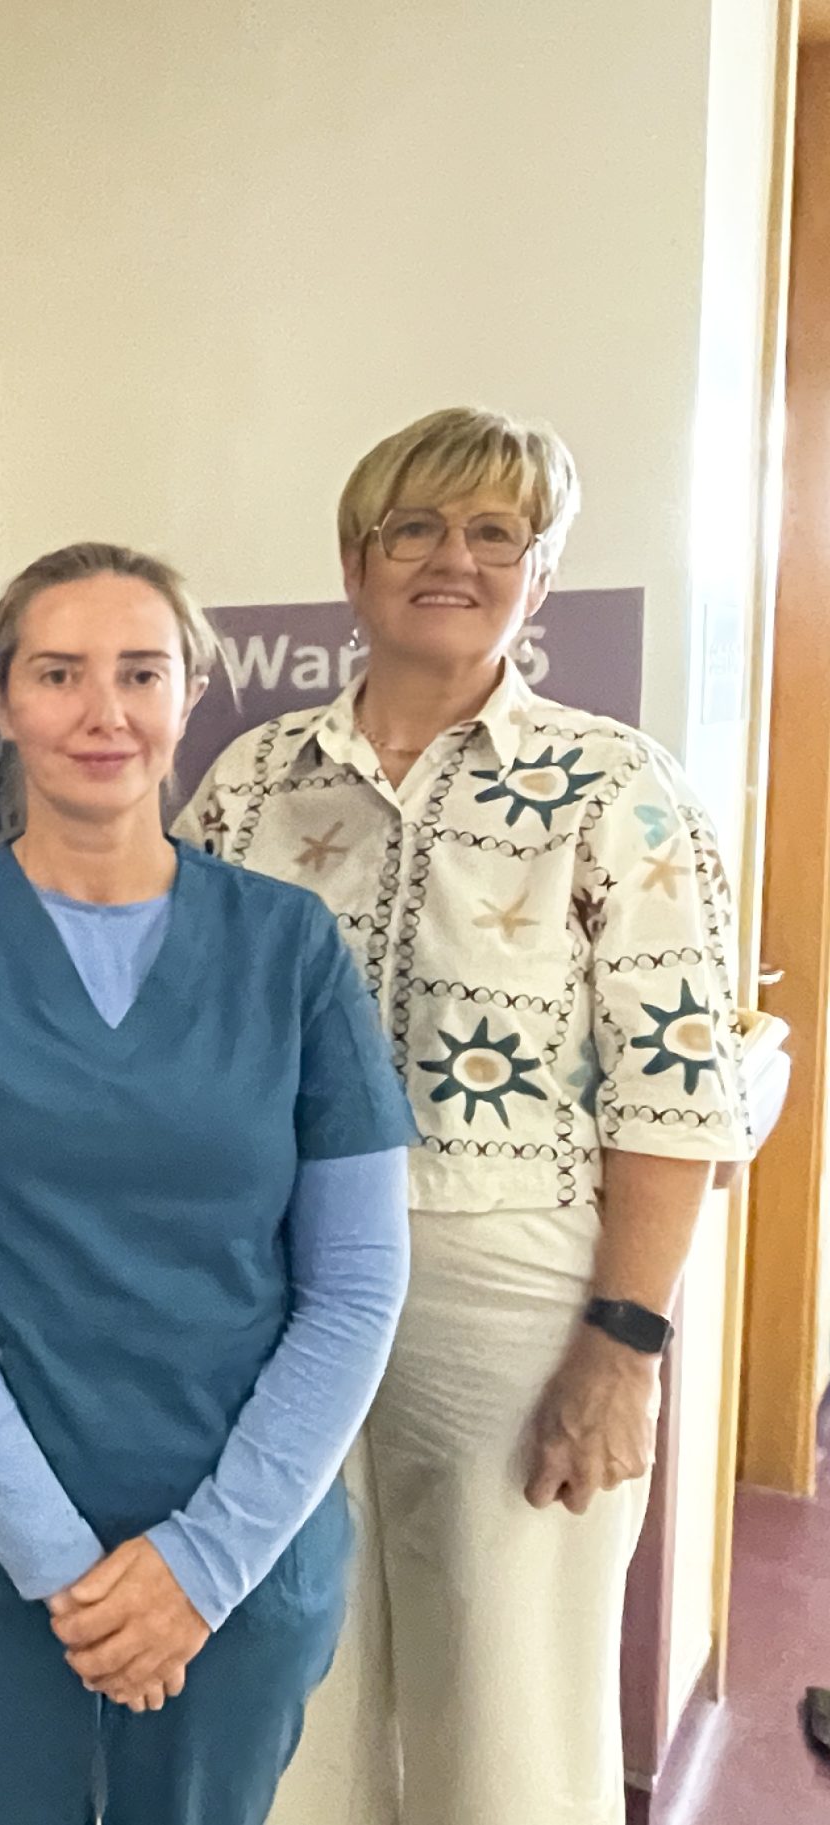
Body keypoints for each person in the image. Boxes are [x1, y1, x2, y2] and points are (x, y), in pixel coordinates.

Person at [181, 407, 751, 1825]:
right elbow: (172, 1039)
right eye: (416, 527)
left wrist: (623, 1345)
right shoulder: (249, 783)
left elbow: (675, 1086)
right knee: (292, 1664)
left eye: (494, 531)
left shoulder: (618, 786)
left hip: (507, 1289)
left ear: (539, 574)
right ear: (356, 562)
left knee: (508, 1692)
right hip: (276, 1286)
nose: (453, 557)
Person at [0, 542, 416, 1824]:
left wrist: (202, 1564)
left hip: (242, 1528)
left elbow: (357, 1282)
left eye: (141, 671)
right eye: (59, 672)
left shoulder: (289, 948)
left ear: (190, 691)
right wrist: (56, 1563)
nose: (104, 712)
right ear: (0, 701)